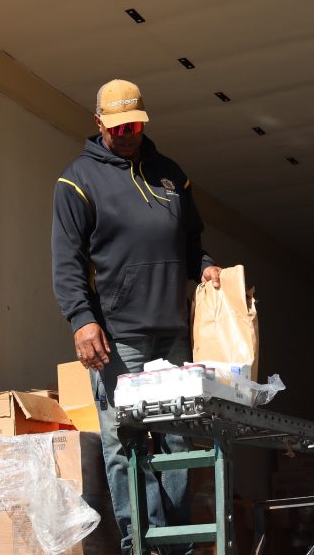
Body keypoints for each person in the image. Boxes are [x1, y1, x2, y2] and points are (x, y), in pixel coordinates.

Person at [52, 79, 222, 555]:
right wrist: (81, 320)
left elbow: (191, 242)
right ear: (98, 122)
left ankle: (177, 544)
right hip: (118, 337)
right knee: (125, 443)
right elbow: (65, 261)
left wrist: (205, 266)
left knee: (178, 440)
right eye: (117, 125)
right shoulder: (77, 181)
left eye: (135, 124)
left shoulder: (170, 174)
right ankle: (140, 545)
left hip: (173, 336)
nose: (127, 133)